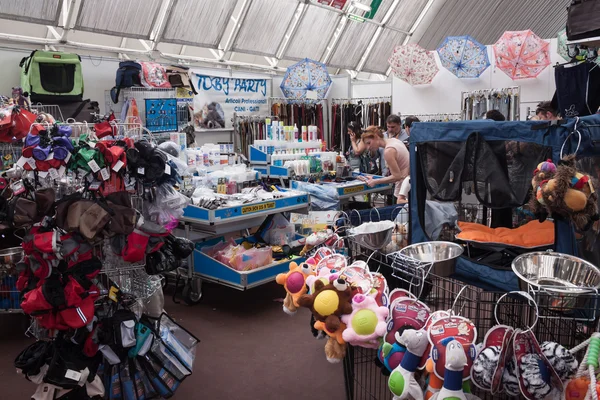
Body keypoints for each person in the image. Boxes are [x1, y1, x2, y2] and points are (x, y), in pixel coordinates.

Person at [360, 126, 410, 204]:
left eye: (369, 143)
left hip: (403, 191)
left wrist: (375, 181)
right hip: (408, 185)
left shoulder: (389, 151)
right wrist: (374, 177)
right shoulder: (394, 141)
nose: (368, 147)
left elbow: (397, 176)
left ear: (376, 136)